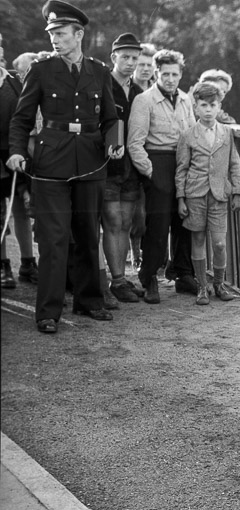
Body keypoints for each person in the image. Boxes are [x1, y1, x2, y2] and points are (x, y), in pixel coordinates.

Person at [6, 0, 123, 333]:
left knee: (87, 235)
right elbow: (22, 118)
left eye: (60, 33)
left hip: (90, 161)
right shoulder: (42, 71)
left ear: (79, 34)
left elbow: (111, 117)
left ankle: (90, 301)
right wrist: (16, 151)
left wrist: (115, 142)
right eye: (52, 33)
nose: (54, 40)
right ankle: (48, 312)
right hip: (49, 164)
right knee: (54, 239)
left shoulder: (99, 71)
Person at [128, 48, 196, 304]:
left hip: (183, 162)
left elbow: (190, 132)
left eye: (174, 74)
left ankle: (183, 274)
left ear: (180, 75)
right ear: (157, 73)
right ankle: (149, 277)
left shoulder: (185, 99)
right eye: (165, 73)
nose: (169, 79)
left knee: (184, 219)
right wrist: (151, 172)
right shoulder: (144, 100)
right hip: (157, 162)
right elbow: (135, 143)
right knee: (157, 225)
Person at [175, 82, 240, 305]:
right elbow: (182, 169)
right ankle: (202, 288)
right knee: (197, 239)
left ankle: (219, 284)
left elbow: (235, 164)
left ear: (219, 106)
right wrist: (180, 198)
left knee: (219, 243)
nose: (208, 109)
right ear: (196, 108)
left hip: (219, 195)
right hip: (195, 195)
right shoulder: (188, 135)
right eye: (203, 105)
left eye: (212, 105)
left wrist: (238, 192)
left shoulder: (226, 133)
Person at [101, 33, 145, 303]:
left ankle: (121, 278)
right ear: (113, 57)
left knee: (126, 223)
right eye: (125, 57)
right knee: (112, 221)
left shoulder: (139, 92)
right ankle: (116, 279)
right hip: (106, 166)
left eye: (135, 58)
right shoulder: (102, 84)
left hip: (131, 168)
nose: (130, 63)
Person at [1, 39, 38, 288]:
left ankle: (27, 263)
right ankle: (3, 266)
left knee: (22, 210)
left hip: (16, 154)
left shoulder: (15, 82)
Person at [129, 43, 156, 269]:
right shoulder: (129, 90)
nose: (146, 69)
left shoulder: (157, 91)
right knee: (136, 212)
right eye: (142, 64)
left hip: (153, 156)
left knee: (149, 211)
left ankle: (147, 258)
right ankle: (135, 252)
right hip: (131, 157)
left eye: (150, 64)